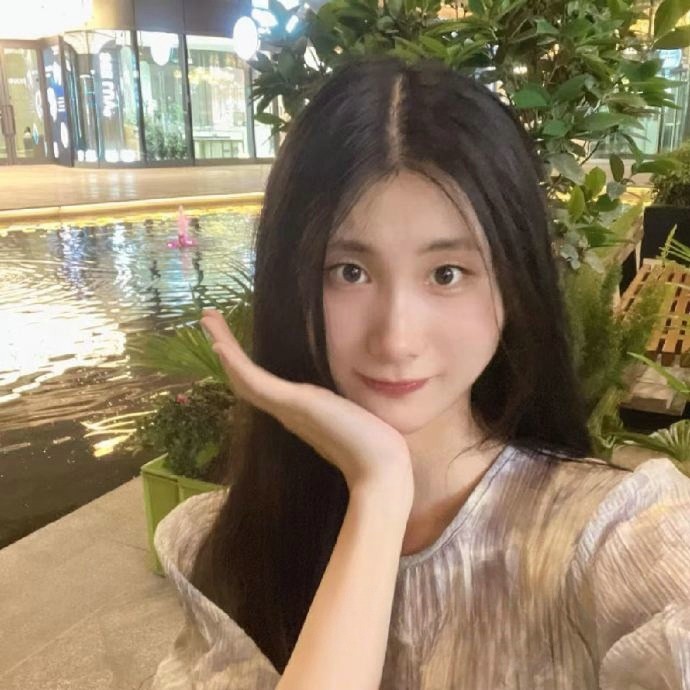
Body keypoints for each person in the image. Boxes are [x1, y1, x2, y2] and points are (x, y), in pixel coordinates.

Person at [150, 55, 690, 689]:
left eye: (446, 273)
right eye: (349, 271)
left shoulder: (615, 536)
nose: (396, 338)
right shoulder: (232, 544)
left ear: (513, 286)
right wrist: (379, 492)